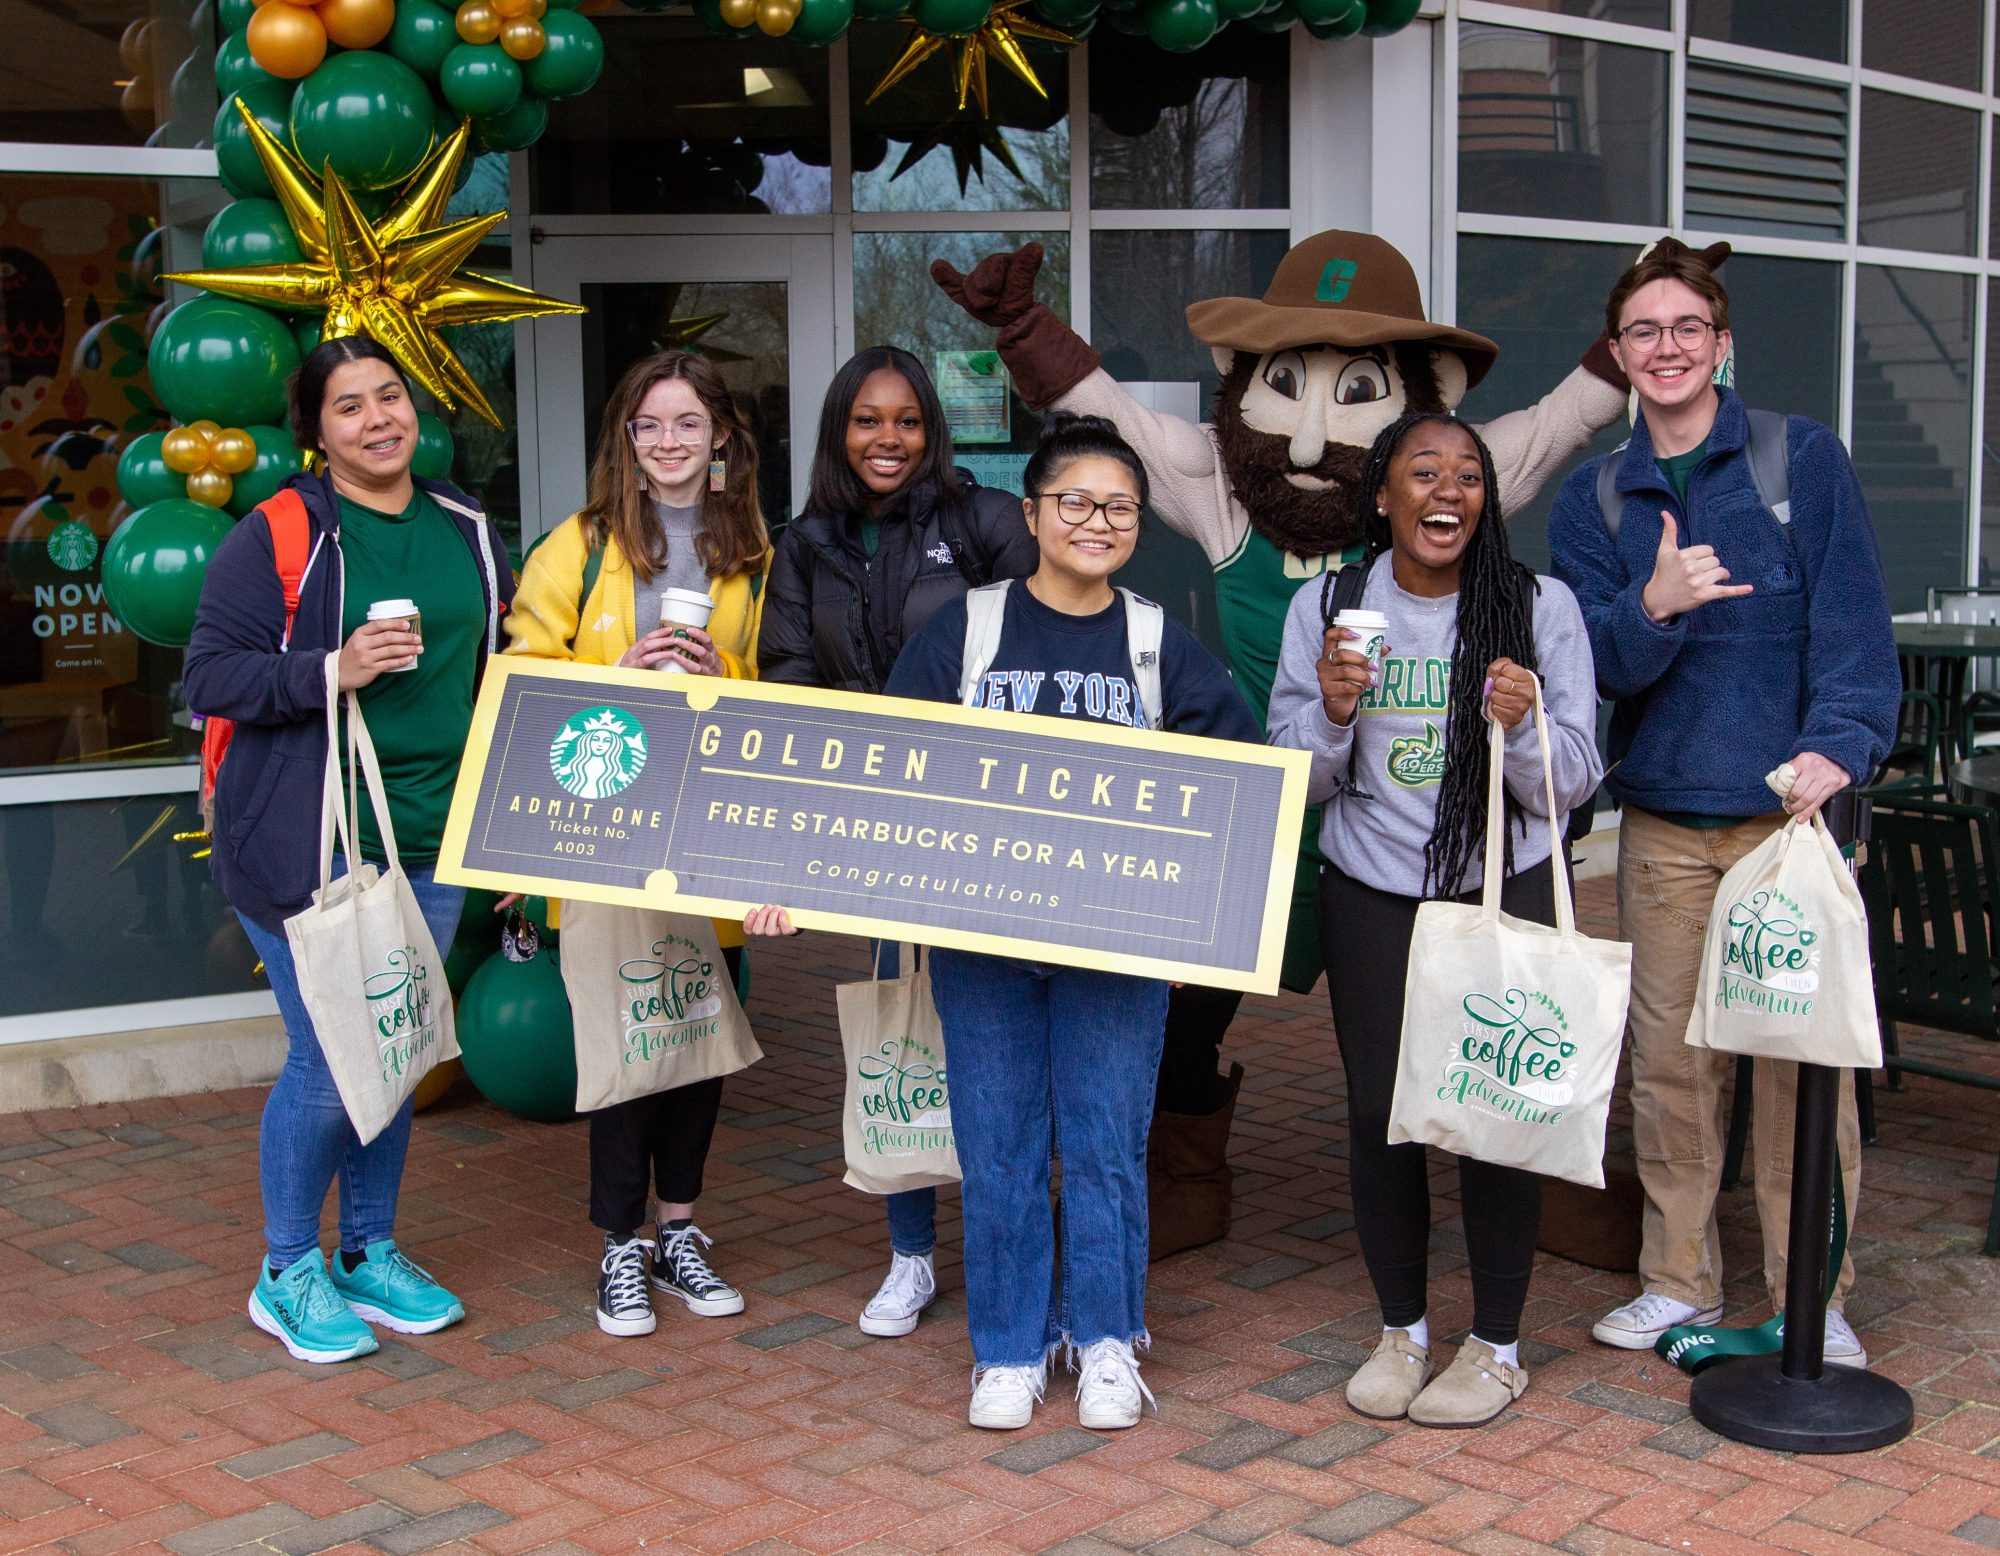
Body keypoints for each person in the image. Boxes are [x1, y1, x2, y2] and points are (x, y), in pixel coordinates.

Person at [750, 412, 1263, 1430]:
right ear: (1030, 513)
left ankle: (1107, 1336)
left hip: (1117, 949)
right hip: (982, 945)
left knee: (1109, 1143)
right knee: (999, 1146)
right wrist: (799, 877)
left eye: (1117, 505)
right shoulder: (968, 631)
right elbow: (886, 769)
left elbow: (1238, 777)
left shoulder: (1156, 641)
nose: (1095, 520)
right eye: (1072, 501)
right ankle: (1009, 1346)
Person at [1548, 246, 1899, 1365]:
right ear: (1617, 353)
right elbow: (1589, 665)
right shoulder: (1590, 497)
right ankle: (1676, 1277)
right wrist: (1648, 605)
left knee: (1804, 1064)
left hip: (1784, 822)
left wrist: (1835, 747)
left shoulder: (1797, 460)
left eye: (1684, 325)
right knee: (1669, 1065)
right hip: (1659, 824)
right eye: (1642, 330)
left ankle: (1815, 1295)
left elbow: (1851, 625)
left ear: (1719, 340)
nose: (1664, 346)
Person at [183, 335, 514, 1365]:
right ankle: (287, 1269)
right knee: (332, 1058)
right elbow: (209, 677)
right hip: (304, 842)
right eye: (349, 407)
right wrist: (334, 666)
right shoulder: (279, 533)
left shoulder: (463, 524)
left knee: (397, 1045)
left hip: (427, 838)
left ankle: (368, 1250)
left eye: (390, 396)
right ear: (314, 432)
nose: (378, 418)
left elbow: (495, 668)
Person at [1267, 412, 1602, 1427]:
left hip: (1500, 882)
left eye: (1466, 475)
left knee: (1495, 1116)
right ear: (1382, 496)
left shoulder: (1536, 606)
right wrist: (1328, 709)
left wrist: (1525, 726)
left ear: (1483, 501)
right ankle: (1401, 1329)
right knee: (1384, 1112)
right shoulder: (1326, 605)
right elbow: (1297, 776)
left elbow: (1574, 779)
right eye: (1423, 472)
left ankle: (1495, 1345)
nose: (1446, 490)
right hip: (1372, 893)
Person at [760, 345, 1038, 1337]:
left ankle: (1022, 1236)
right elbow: (786, 678)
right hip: (877, 822)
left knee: (1009, 1025)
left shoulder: (985, 523)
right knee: (904, 1026)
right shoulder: (803, 543)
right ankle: (910, 1253)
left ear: (934, 429)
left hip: (988, 816)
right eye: (868, 420)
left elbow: (1042, 647)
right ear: (839, 430)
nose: (888, 439)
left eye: (908, 420)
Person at [506, 350, 770, 1338]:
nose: (669, 441)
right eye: (651, 424)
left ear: (719, 439)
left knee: (695, 1037)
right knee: (629, 1042)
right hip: (606, 825)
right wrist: (611, 668)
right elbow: (521, 681)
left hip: (710, 829)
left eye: (688, 424)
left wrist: (724, 670)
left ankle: (679, 1232)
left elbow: (773, 690)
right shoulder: (573, 547)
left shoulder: (750, 548)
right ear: (627, 437)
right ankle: (619, 1243)